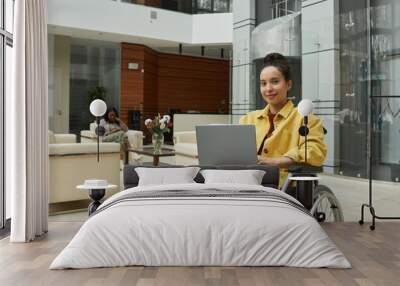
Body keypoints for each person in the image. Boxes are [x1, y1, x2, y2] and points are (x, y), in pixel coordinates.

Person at [240, 53, 327, 187]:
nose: (268, 88)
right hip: (247, 183)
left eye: (275, 82)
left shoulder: (305, 119)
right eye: (263, 83)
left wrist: (275, 161)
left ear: (288, 84)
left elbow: (314, 151)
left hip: (284, 187)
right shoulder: (248, 119)